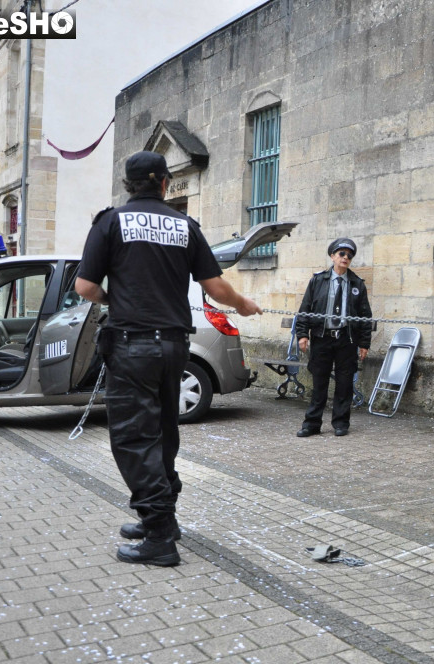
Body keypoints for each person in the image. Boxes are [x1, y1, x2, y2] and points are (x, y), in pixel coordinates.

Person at [75, 150, 262, 565]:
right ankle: (162, 517)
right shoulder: (185, 226)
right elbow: (215, 287)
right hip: (174, 346)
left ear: (129, 184)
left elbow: (85, 288)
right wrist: (245, 305)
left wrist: (116, 298)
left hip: (131, 345)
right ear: (164, 183)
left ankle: (159, 538)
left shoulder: (110, 222)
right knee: (162, 432)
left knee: (134, 438)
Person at [295, 238, 372, 437]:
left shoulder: (356, 283)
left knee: (344, 383)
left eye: (349, 255)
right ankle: (312, 424)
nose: (345, 258)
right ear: (332, 256)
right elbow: (305, 310)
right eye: (341, 254)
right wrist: (302, 334)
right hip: (322, 338)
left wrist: (364, 343)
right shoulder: (318, 280)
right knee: (319, 383)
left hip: (346, 340)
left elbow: (365, 316)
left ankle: (341, 423)